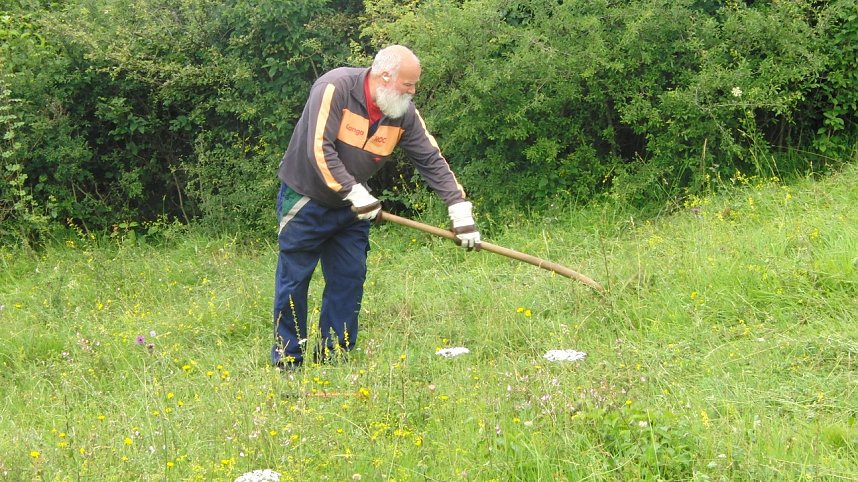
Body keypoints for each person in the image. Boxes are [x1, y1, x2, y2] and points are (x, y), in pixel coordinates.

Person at [272, 45, 480, 369]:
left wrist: (459, 208)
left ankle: (333, 357)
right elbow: (318, 150)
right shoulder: (335, 87)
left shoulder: (402, 112)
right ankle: (287, 361)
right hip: (306, 199)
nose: (412, 92)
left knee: (349, 279)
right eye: (408, 85)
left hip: (353, 210)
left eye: (414, 85)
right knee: (294, 282)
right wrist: (354, 192)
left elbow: (430, 159)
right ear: (385, 76)